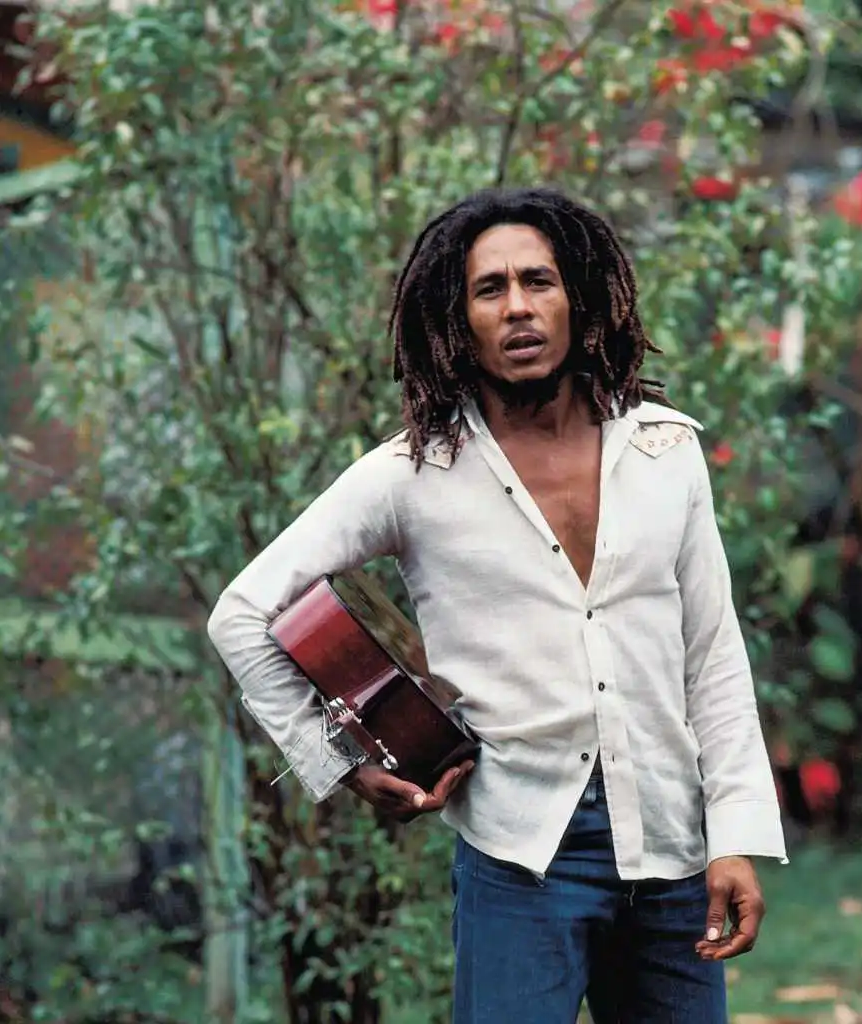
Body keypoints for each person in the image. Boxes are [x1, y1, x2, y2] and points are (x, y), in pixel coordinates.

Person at [206, 185, 788, 1023]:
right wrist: (338, 762)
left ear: (577, 298)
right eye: (490, 289)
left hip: (670, 849)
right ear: (459, 319)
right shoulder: (412, 474)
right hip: (519, 855)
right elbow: (242, 614)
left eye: (538, 281)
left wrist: (734, 837)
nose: (518, 306)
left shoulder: (664, 451)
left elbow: (714, 655)